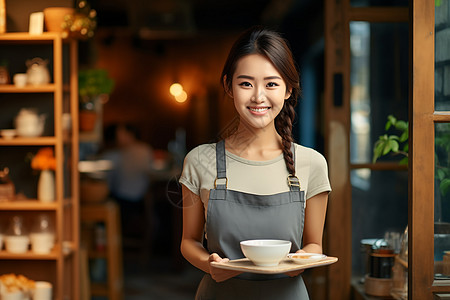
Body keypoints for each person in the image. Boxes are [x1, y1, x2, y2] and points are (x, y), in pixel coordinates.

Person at [179, 27, 331, 299]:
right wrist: (209, 265)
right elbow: (188, 241)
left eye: (271, 84)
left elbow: (314, 244)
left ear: (288, 89)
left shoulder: (311, 163)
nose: (258, 97)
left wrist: (300, 261)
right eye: (246, 83)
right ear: (228, 86)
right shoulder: (199, 161)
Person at [101, 123, 154, 240]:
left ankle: (107, 242)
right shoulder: (146, 150)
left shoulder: (118, 154)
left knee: (101, 205)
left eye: (121, 134)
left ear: (130, 135)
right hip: (140, 200)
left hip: (123, 201)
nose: (118, 137)